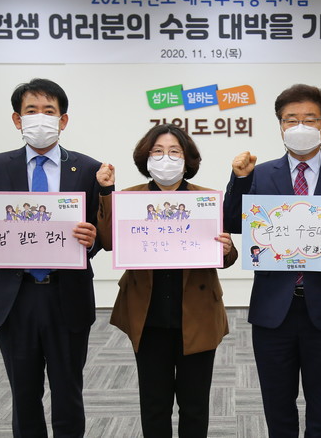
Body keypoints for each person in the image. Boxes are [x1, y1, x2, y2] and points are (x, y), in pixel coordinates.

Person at [0, 78, 106, 437]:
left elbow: (100, 236)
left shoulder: (87, 169)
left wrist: (92, 239)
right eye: (31, 110)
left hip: (66, 294)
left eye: (49, 110)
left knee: (68, 391)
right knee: (24, 393)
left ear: (63, 120)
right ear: (17, 120)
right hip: (14, 297)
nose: (40, 117)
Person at [223, 84, 321, 437]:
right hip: (272, 308)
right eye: (291, 119)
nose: (300, 126)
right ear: (280, 125)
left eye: (309, 119)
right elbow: (233, 221)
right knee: (277, 403)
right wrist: (240, 179)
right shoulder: (260, 173)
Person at [96, 123, 237, 438]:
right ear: (145, 159)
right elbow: (107, 241)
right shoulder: (129, 198)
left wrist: (227, 249)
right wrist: (106, 191)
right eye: (157, 152)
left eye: (174, 152)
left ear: (188, 161)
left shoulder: (205, 200)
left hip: (197, 314)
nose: (166, 159)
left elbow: (225, 256)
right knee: (154, 404)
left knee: (195, 404)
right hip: (148, 316)